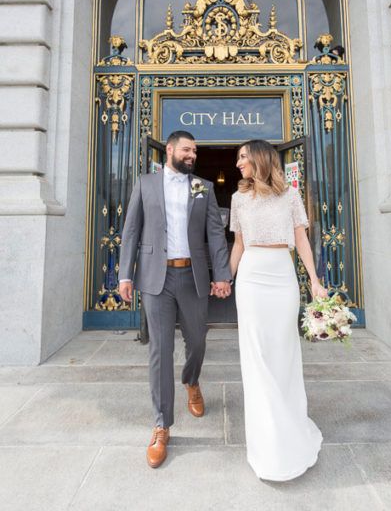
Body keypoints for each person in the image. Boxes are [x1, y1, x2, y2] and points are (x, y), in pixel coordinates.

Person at [118, 130, 232, 468]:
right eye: (186, 150)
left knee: (197, 340)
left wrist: (222, 274)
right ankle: (161, 424)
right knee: (160, 349)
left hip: (192, 276)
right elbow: (131, 230)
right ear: (170, 150)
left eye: (195, 151)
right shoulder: (146, 184)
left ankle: (192, 381)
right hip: (156, 277)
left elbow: (215, 233)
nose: (192, 155)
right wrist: (126, 274)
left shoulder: (204, 187)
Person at [229, 139, 328, 481]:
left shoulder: (290, 196)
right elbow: (239, 244)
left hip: (282, 277)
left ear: (259, 159)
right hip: (252, 278)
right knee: (257, 359)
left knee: (283, 355)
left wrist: (313, 280)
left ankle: (290, 431)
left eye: (243, 156)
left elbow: (301, 239)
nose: (238, 162)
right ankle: (267, 445)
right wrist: (225, 279)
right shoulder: (238, 198)